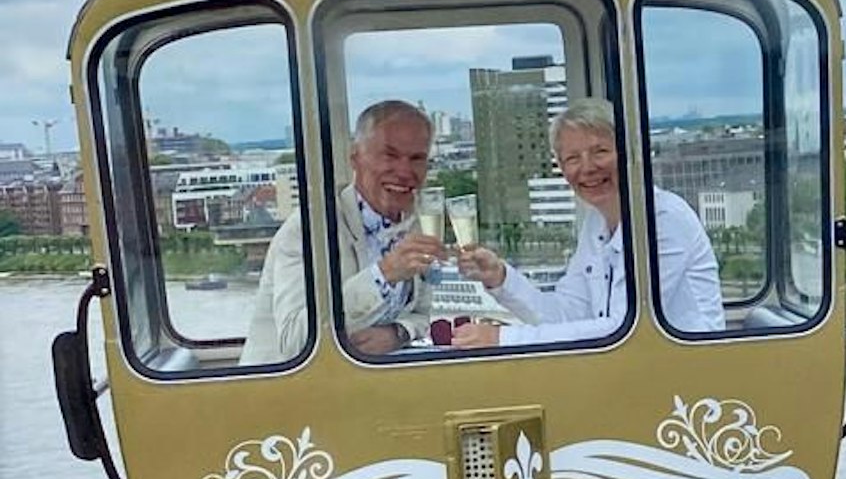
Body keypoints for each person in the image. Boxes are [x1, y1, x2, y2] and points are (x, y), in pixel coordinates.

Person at [452, 97, 723, 347]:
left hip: (687, 380)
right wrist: (500, 278)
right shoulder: (596, 223)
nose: (587, 168)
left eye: (600, 151)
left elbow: (622, 329)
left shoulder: (664, 218)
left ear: (629, 153)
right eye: (572, 158)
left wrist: (504, 338)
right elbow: (566, 314)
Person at [240, 100, 443, 364]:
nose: (404, 171)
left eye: (416, 158)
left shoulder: (415, 221)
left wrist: (397, 334)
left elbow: (420, 314)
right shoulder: (311, 228)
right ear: (355, 158)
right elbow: (294, 341)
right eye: (389, 156)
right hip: (289, 393)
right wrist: (383, 275)